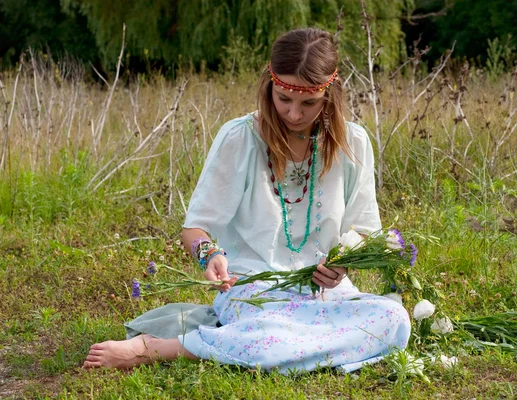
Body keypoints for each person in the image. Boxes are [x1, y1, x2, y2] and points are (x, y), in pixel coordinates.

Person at [83, 28, 411, 374]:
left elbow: (364, 228)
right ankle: (160, 348)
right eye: (284, 98)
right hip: (253, 288)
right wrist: (209, 255)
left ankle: (248, 344)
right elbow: (195, 228)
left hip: (325, 296)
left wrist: (343, 263)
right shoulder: (240, 138)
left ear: (330, 95)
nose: (294, 114)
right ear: (269, 85)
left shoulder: (353, 144)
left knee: (394, 318)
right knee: (270, 335)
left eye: (308, 103)